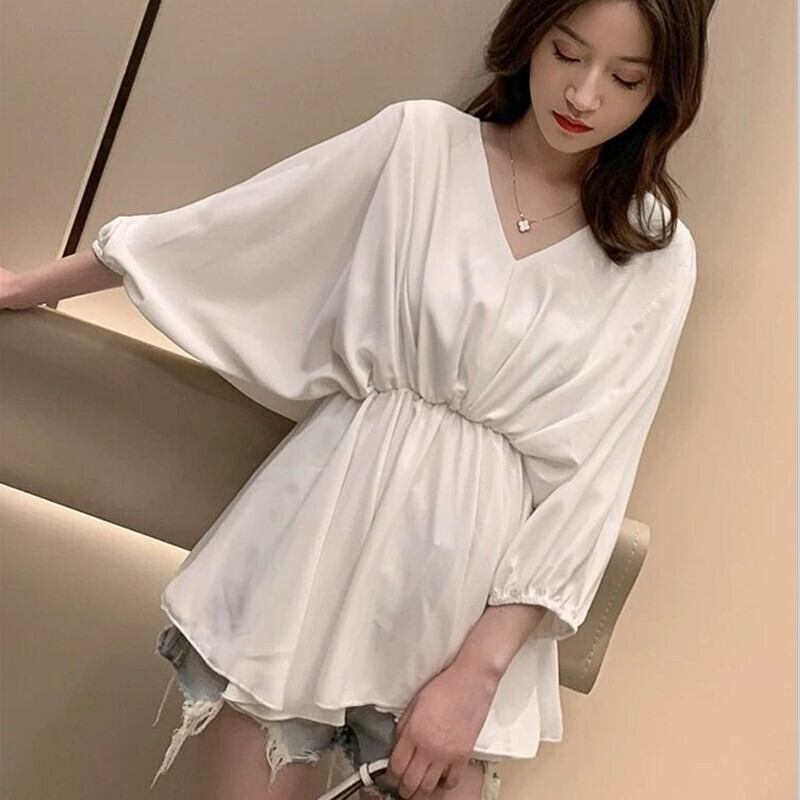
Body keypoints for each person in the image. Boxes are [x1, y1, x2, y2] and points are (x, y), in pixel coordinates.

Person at [1, 1, 713, 798]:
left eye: (625, 78)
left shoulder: (653, 251)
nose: (583, 95)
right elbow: (227, 235)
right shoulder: (419, 146)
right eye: (567, 53)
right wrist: (31, 287)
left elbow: (594, 482)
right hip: (317, 556)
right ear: (529, 37)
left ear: (662, 92)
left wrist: (477, 673)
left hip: (462, 613)